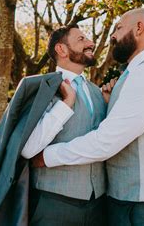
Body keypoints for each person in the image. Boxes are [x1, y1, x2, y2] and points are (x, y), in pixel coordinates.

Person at [32, 8, 144, 225]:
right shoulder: (137, 72)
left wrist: (47, 157)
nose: (112, 36)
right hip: (129, 198)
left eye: (119, 28)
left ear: (139, 28)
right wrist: (108, 102)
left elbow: (107, 141)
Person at [25, 24, 108, 226]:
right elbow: (28, 149)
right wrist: (65, 104)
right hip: (54, 203)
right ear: (61, 50)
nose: (91, 43)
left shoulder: (98, 92)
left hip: (98, 204)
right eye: (81, 39)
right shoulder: (42, 88)